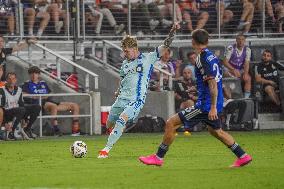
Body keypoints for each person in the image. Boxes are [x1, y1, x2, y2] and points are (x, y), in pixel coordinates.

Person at [139, 29, 252, 168]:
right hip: (213, 101)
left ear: (193, 41)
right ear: (207, 41)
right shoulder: (212, 56)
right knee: (216, 131)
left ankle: (158, 157)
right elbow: (214, 80)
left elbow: (213, 84)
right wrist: (198, 89)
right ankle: (243, 155)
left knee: (171, 123)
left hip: (206, 105)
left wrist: (212, 107)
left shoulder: (202, 59)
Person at [97, 23, 180, 158]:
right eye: (123, 51)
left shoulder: (149, 58)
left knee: (121, 120)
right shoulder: (125, 64)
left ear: (134, 48)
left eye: (126, 51)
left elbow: (166, 44)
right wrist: (118, 90)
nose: (124, 54)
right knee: (109, 123)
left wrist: (172, 32)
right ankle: (114, 131)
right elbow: (122, 79)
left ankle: (106, 150)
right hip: (121, 99)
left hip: (136, 100)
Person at [22, 66, 81, 136]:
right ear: (29, 75)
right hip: (38, 104)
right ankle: (56, 129)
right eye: (32, 73)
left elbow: (50, 93)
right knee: (53, 106)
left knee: (75, 106)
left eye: (36, 73)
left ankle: (75, 130)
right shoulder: (27, 84)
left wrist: (45, 96)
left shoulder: (43, 83)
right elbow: (23, 94)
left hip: (49, 101)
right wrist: (37, 96)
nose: (34, 75)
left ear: (39, 74)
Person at [0, 72, 41, 140]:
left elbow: (21, 104)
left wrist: (25, 119)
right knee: (20, 109)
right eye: (9, 79)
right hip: (6, 113)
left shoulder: (19, 90)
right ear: (6, 80)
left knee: (37, 107)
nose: (11, 81)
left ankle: (27, 129)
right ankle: (11, 132)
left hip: (18, 112)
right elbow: (1, 107)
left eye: (13, 79)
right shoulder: (1, 89)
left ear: (16, 80)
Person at [222, 34, 252, 98]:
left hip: (240, 69)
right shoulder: (230, 48)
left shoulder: (247, 50)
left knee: (248, 78)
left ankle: (246, 98)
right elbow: (225, 62)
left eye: (242, 39)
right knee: (226, 74)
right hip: (229, 68)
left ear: (245, 41)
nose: (241, 41)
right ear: (236, 40)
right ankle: (230, 97)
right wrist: (233, 69)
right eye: (239, 39)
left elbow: (247, 63)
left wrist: (246, 73)